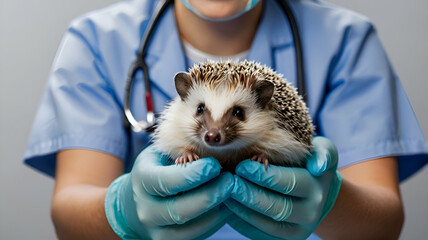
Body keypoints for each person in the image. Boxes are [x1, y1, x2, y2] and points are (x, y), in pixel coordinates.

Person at [23, 0, 428, 239]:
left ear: (263, 108)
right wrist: (124, 209)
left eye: (236, 115)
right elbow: (68, 217)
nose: (214, 132)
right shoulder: (95, 40)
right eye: (200, 112)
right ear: (184, 97)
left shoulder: (347, 39)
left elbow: (384, 224)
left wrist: (330, 199)